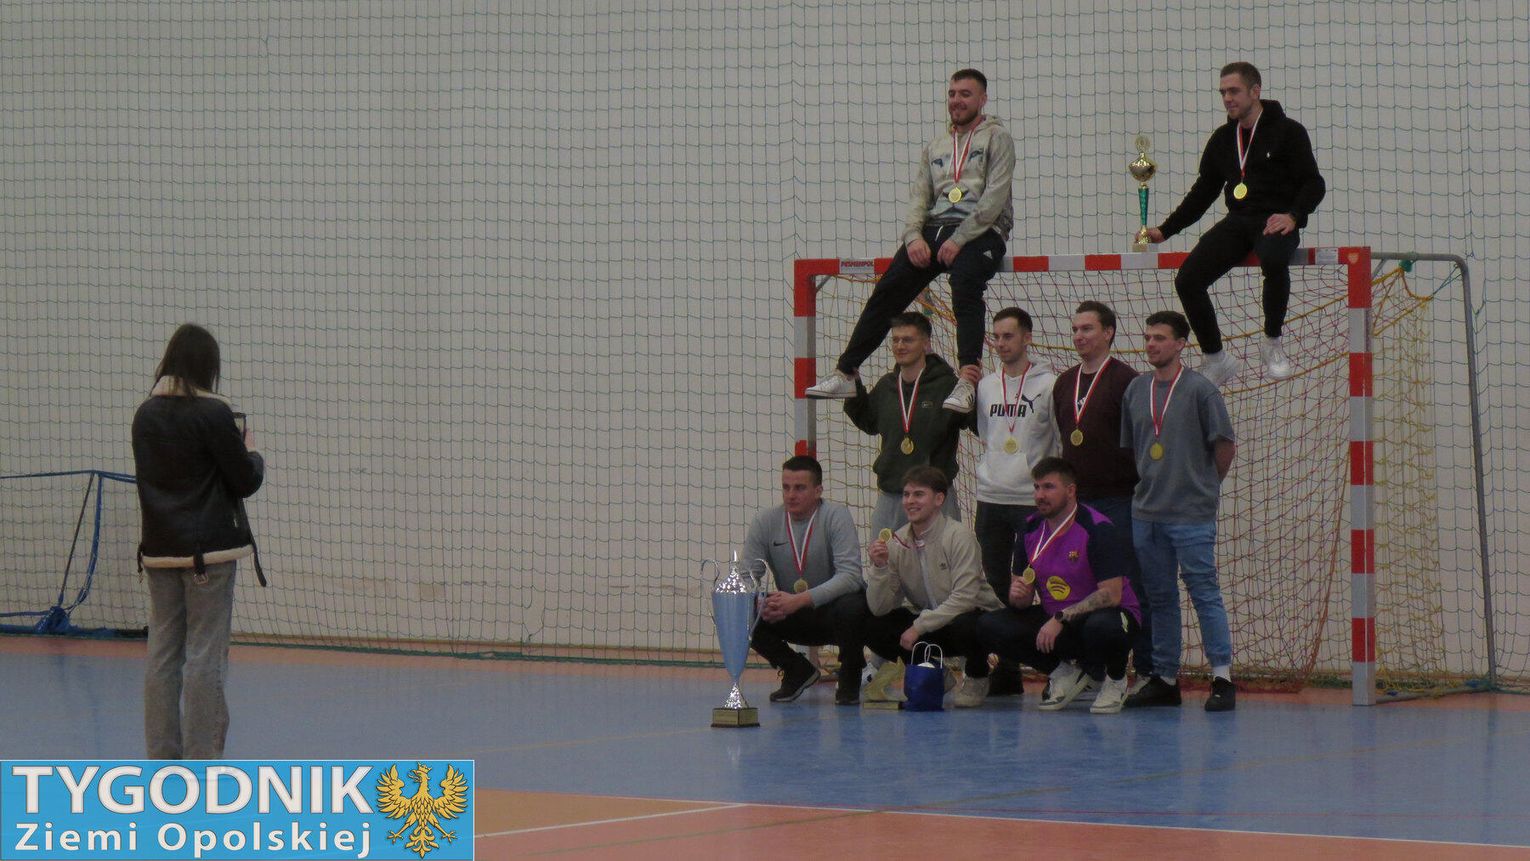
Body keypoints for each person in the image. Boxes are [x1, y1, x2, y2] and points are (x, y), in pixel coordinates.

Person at [805, 68, 1015, 413]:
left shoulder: (998, 138)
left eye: (965, 94)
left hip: (981, 231)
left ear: (982, 99)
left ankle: (967, 379)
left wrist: (960, 239)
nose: (957, 100)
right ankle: (846, 372)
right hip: (935, 229)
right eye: (952, 94)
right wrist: (914, 237)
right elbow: (919, 199)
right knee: (888, 289)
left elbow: (994, 199)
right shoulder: (936, 146)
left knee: (965, 285)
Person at [1140, 62, 1326, 386]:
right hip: (1238, 220)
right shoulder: (1223, 139)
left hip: (1275, 218)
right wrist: (1165, 230)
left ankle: (1272, 341)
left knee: (1274, 258)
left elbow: (1314, 183)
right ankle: (1216, 357)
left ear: (1255, 91)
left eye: (1234, 91)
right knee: (1187, 279)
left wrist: (1293, 216)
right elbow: (1203, 192)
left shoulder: (1289, 131)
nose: (1227, 98)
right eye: (1223, 92)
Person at [132, 324, 265, 758]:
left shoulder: (145, 415)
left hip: (158, 552)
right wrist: (252, 454)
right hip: (209, 554)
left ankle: (161, 761)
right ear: (208, 366)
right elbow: (244, 480)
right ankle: (201, 764)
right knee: (205, 657)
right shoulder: (213, 414)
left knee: (162, 655)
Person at [1120, 311, 1238, 712]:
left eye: (1160, 338)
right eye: (1148, 337)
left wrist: (1204, 488)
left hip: (1190, 514)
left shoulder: (1201, 390)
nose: (1151, 344)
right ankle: (1165, 678)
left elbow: (1224, 447)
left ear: (1180, 344)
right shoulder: (1136, 390)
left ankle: (1222, 677)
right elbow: (1134, 448)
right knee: (1159, 596)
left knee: (1204, 591)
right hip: (1147, 513)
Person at [976, 457, 1143, 714]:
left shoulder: (1097, 527)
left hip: (1105, 617)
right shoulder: (1030, 528)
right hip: (1058, 620)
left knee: (1103, 626)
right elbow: (1022, 598)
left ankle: (1115, 679)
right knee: (989, 625)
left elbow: (1111, 595)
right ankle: (1064, 673)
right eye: (1036, 487)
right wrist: (1017, 595)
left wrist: (1061, 617)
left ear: (1070, 490)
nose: (1040, 495)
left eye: (1049, 487)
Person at [1050, 301, 1153, 690]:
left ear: (1108, 332)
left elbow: (1142, 441)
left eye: (1087, 329)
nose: (1079, 336)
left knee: (1129, 585)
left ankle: (1144, 669)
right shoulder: (1064, 383)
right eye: (1075, 329)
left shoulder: (1127, 381)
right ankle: (1089, 668)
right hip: (1076, 507)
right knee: (1078, 586)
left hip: (1119, 501)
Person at [965, 307, 1058, 696]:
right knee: (996, 583)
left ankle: (1058, 665)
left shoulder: (1049, 384)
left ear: (1027, 338)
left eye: (1009, 336)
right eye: (997, 337)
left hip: (1032, 500)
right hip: (991, 496)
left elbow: (1056, 438)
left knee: (1044, 582)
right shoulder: (987, 386)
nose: (1001, 344)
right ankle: (1007, 666)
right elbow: (987, 434)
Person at [863, 466, 1003, 708]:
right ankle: (934, 671)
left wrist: (919, 626)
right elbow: (879, 608)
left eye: (918, 494)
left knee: (968, 624)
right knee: (872, 623)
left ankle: (977, 676)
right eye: (906, 494)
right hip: (933, 622)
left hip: (974, 619)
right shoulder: (897, 543)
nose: (910, 501)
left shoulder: (959, 536)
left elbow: (965, 599)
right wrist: (880, 567)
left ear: (939, 499)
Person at [742, 456, 870, 706]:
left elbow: (851, 576)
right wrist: (757, 601)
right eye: (786, 487)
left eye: (800, 488)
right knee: (740, 610)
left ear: (818, 490)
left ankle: (850, 674)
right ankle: (796, 669)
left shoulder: (836, 516)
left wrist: (799, 600)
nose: (791, 495)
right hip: (791, 613)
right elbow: (747, 576)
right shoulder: (765, 521)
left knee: (854, 605)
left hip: (834, 614)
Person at [843, 312, 964, 539]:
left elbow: (973, 421)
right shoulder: (887, 386)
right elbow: (868, 422)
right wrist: (854, 384)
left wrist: (975, 384)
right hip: (892, 496)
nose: (900, 346)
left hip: (935, 498)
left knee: (943, 559)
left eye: (907, 340)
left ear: (925, 344)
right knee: (883, 558)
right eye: (896, 340)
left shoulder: (947, 385)